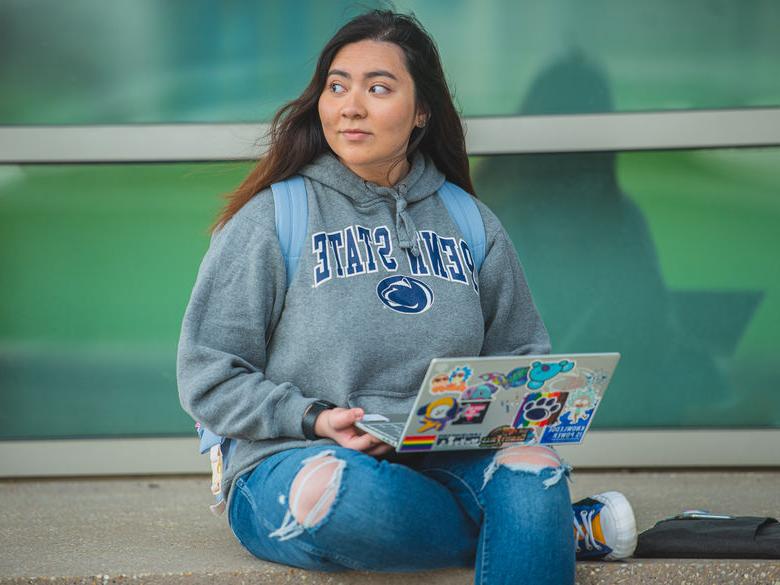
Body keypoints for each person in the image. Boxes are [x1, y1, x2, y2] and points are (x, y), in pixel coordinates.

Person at [177, 10, 637, 585]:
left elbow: (521, 356)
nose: (350, 105)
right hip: (292, 461)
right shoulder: (273, 218)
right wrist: (314, 418)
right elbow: (210, 375)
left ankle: (533, 519)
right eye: (337, 86)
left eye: (378, 88)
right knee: (341, 493)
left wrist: (509, 406)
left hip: (443, 460)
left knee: (533, 470)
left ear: (421, 111)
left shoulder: (472, 223)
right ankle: (548, 531)